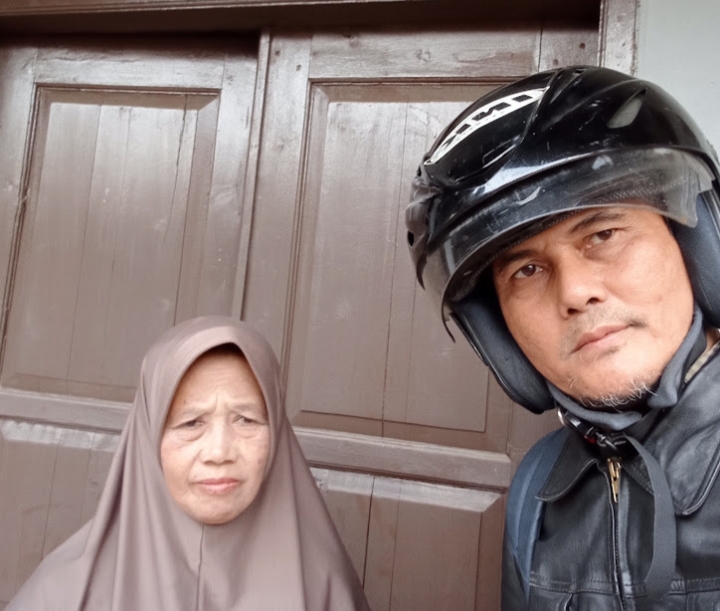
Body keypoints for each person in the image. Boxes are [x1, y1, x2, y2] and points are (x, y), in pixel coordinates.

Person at [405, 66, 720, 609]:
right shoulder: (538, 487)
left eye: (604, 233)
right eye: (526, 270)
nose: (574, 292)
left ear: (696, 246)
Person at [8, 316, 370, 611]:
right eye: (191, 423)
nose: (219, 451)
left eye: (245, 419)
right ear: (149, 436)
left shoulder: (325, 589)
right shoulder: (65, 594)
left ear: (276, 430)